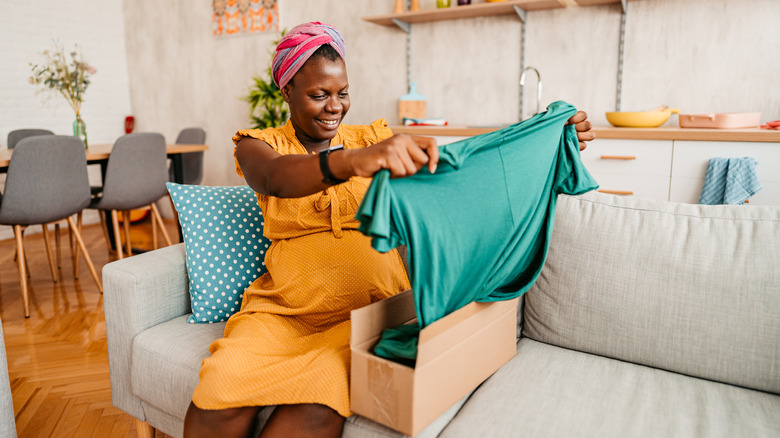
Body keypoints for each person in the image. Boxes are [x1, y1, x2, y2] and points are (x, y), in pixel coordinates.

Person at [183, 21, 595, 438]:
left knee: (316, 407)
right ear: (287, 89)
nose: (334, 106)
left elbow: (457, 172)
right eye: (318, 94)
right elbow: (273, 177)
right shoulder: (259, 144)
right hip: (282, 313)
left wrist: (542, 137)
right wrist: (351, 162)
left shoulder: (373, 137)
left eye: (342, 93)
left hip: (369, 315)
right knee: (218, 392)